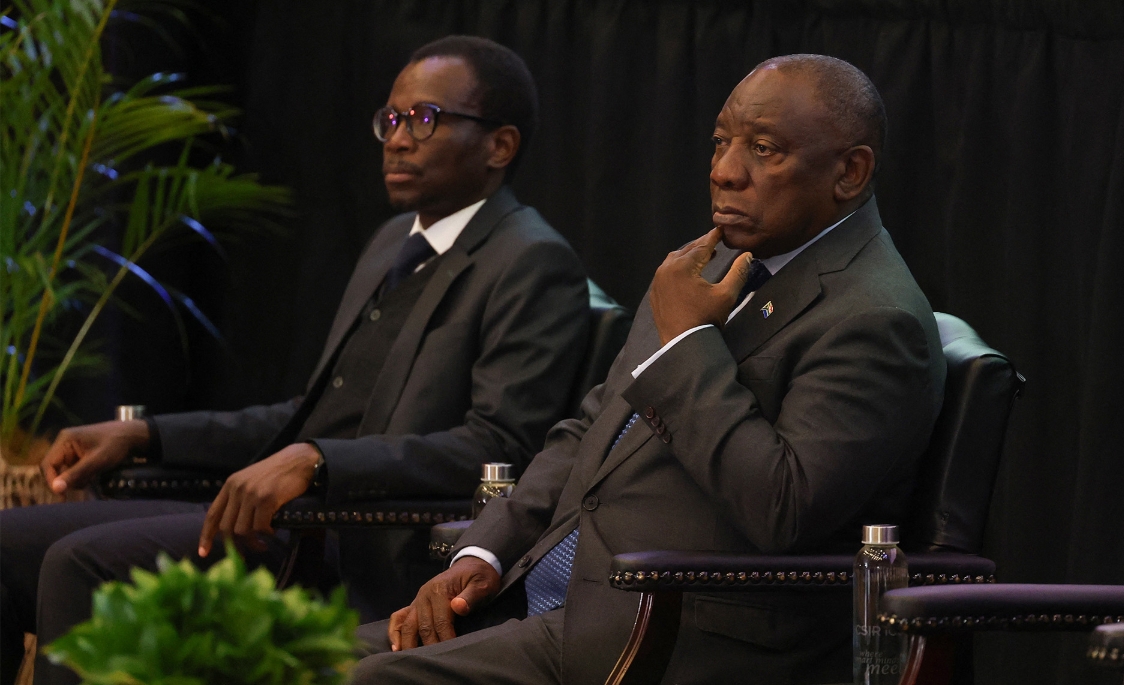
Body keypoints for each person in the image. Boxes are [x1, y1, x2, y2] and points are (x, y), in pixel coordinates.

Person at [0, 36, 592, 685]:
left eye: (425, 119)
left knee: (80, 562)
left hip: (357, 541)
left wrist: (317, 461)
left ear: (499, 145)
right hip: (288, 522)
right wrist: (147, 433)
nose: (397, 140)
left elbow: (497, 444)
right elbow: (308, 415)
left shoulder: (530, 260)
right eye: (391, 120)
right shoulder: (393, 243)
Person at [347, 54, 948, 685]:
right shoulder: (711, 264)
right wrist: (486, 550)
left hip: (672, 638)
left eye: (763, 149)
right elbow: (591, 429)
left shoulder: (876, 319)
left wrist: (687, 342)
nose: (724, 171)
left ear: (850, 172)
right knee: (302, 653)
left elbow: (783, 508)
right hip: (546, 597)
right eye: (720, 142)